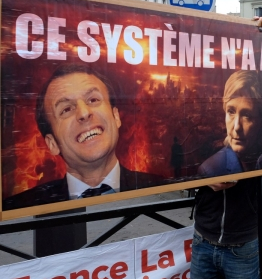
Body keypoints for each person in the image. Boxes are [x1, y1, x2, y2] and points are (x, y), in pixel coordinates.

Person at [2, 64, 165, 211]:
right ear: (52, 143)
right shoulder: (16, 210)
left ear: (116, 117)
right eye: (66, 109)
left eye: (93, 99)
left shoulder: (164, 190)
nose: (84, 113)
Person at [190, 16, 262, 279]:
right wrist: (202, 176)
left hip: (243, 246)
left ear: (261, 120)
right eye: (231, 112)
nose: (236, 126)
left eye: (247, 115)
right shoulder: (205, 151)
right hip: (203, 240)